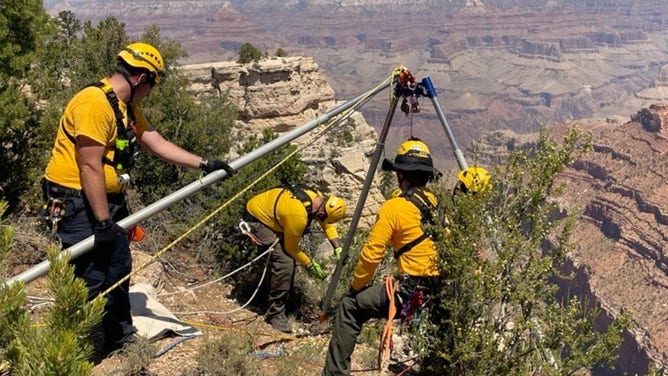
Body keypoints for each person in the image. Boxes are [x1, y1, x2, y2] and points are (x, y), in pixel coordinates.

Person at [41, 42, 234, 355]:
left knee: (118, 266)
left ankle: (119, 338)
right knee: (89, 275)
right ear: (142, 78)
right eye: (152, 86)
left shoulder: (125, 105)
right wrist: (103, 221)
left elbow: (153, 141)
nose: (150, 92)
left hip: (107, 199)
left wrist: (204, 163)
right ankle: (69, 350)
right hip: (76, 200)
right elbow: (89, 165)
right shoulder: (94, 103)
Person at [322, 137, 441, 376]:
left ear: (400, 174)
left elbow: (371, 254)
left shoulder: (393, 207)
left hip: (410, 291)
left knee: (349, 308)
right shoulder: (437, 203)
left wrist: (356, 288)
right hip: (438, 288)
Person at [240, 184, 346, 333]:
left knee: (286, 257)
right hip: (258, 220)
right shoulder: (298, 215)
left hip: (273, 214)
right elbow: (292, 249)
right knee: (286, 262)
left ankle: (278, 297)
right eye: (322, 217)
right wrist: (310, 264)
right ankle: (275, 313)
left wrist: (337, 246)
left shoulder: (317, 197)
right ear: (322, 211)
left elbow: (326, 224)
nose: (320, 220)